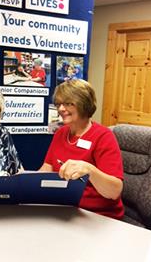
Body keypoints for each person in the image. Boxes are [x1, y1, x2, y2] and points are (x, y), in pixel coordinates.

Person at [39, 79, 124, 220]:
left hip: (97, 217)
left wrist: (89, 170)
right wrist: (23, 183)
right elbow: (46, 169)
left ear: (83, 103)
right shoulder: (61, 133)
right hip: (64, 210)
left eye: (68, 103)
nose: (60, 109)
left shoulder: (103, 136)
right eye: (59, 104)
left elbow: (114, 191)